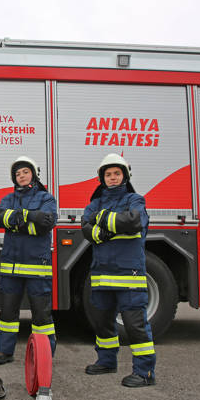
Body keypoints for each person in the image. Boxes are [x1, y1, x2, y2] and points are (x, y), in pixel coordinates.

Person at [81, 153, 156, 387]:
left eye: (116, 173)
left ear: (124, 175)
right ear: (102, 178)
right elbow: (85, 226)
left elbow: (134, 221)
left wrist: (102, 219)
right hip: (103, 274)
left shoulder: (135, 200)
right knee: (103, 322)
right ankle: (106, 361)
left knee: (134, 325)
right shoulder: (94, 203)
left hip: (129, 274)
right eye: (108, 174)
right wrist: (103, 231)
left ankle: (145, 373)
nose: (112, 178)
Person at [0, 156, 57, 365]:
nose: (21, 176)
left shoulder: (46, 198)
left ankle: (44, 354)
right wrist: (30, 218)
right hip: (11, 268)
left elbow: (46, 223)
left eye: (25, 172)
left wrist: (19, 219)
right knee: (8, 314)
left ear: (33, 174)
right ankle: (4, 352)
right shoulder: (7, 200)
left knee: (41, 317)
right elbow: (1, 218)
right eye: (18, 174)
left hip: (37, 267)